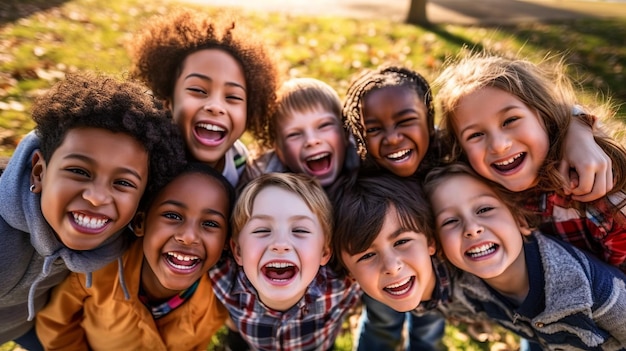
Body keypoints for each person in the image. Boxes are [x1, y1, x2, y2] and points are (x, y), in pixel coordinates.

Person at [0, 72, 186, 349]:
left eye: (123, 183)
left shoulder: (123, 236)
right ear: (39, 172)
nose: (97, 198)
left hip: (29, 326)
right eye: (78, 171)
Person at [434, 53, 626, 272]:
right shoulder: (479, 187)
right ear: (461, 150)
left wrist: (578, 123)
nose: (498, 145)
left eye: (510, 120)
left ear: (544, 115)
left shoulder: (600, 193)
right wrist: (577, 123)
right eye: (475, 135)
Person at [424, 163, 626, 349]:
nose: (472, 228)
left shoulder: (592, 287)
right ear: (438, 245)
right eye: (449, 221)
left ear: (519, 219)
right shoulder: (469, 288)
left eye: (484, 209)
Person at [36, 162, 235, 350]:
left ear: (226, 241)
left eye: (210, 224)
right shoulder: (97, 272)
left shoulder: (217, 304)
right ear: (140, 222)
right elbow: (57, 327)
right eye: (173, 216)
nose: (189, 236)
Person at [341, 64, 446, 351]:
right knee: (382, 322)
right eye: (374, 129)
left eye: (405, 121)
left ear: (429, 120)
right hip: (381, 265)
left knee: (429, 326)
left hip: (436, 268)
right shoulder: (358, 167)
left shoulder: (449, 154)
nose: (392, 137)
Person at [128, 8, 279, 188]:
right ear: (167, 101)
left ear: (249, 112)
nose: (215, 106)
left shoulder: (240, 164)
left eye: (232, 97)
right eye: (198, 90)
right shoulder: (144, 158)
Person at [209, 172, 361, 350]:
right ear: (238, 251)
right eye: (261, 230)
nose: (280, 244)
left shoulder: (342, 286)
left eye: (300, 230)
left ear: (325, 252)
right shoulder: (222, 279)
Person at [242, 77, 356, 189]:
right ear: (279, 152)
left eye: (324, 125)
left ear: (345, 132)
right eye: (294, 134)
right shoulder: (264, 189)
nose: (311, 141)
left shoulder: (368, 164)